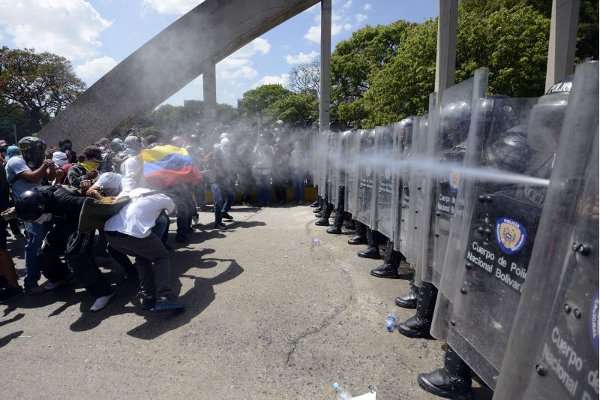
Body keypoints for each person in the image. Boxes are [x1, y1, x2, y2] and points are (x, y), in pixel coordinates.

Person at [15, 186, 116, 311]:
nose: (36, 220)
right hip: (62, 222)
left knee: (76, 254)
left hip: (81, 220)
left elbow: (92, 205)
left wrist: (111, 202)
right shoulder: (36, 200)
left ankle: (103, 292)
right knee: (45, 251)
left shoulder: (65, 199)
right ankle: (60, 277)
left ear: (41, 207)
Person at [104, 187, 184, 312]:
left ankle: (148, 296)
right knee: (161, 256)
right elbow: (173, 213)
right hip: (134, 233)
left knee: (142, 256)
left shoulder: (138, 190)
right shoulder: (165, 198)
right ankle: (165, 296)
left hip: (110, 233)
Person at [6, 137, 56, 292]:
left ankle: (53, 273)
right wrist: (44, 164)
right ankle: (30, 283)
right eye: (37, 151)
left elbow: (49, 177)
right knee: (34, 245)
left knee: (46, 242)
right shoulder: (16, 161)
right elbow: (33, 177)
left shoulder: (35, 161)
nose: (40, 154)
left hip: (41, 206)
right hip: (29, 210)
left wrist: (51, 167)